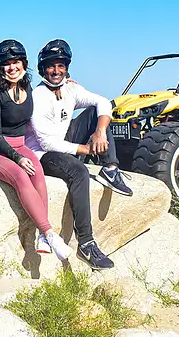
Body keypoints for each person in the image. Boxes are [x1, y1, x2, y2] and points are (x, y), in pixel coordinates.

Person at [25, 39, 133, 270]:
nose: (56, 71)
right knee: (79, 172)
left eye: (61, 65)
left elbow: (102, 102)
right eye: (51, 66)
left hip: (64, 143)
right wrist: (85, 149)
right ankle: (86, 242)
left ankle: (110, 169)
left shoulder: (71, 89)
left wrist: (100, 132)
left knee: (96, 111)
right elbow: (46, 141)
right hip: (44, 154)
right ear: (43, 68)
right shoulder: (38, 97)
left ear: (67, 66)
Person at [0, 39, 72, 261]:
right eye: (6, 64)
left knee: (37, 172)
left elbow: (50, 89)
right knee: (21, 176)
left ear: (24, 63)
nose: (12, 68)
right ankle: (50, 233)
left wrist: (66, 84)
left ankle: (42, 237)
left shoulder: (26, 87)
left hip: (19, 145)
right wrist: (17, 158)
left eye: (16, 62)